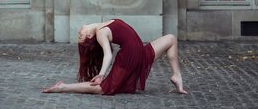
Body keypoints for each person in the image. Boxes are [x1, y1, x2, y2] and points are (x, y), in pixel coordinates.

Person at [42, 18, 188, 95]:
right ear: (88, 35)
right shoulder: (100, 33)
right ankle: (63, 87)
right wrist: (101, 74)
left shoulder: (103, 25)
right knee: (103, 88)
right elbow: (108, 54)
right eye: (80, 35)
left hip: (140, 52)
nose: (79, 31)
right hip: (129, 56)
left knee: (171, 39)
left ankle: (177, 76)